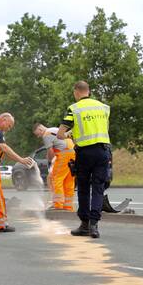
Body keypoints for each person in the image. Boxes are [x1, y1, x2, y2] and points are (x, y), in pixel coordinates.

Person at [57, 81, 111, 238]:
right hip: (103, 151)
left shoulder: (74, 109)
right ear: (89, 91)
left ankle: (84, 224)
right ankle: (94, 226)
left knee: (83, 188)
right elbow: (104, 129)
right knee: (98, 187)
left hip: (85, 153)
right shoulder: (103, 107)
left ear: (76, 92)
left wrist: (70, 134)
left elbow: (61, 134)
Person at [34, 123, 76, 211]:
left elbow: (50, 151)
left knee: (56, 179)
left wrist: (49, 161)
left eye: (37, 134)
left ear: (40, 129)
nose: (38, 136)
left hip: (64, 155)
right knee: (68, 180)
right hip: (73, 154)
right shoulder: (54, 129)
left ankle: (58, 204)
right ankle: (68, 206)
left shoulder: (46, 134)